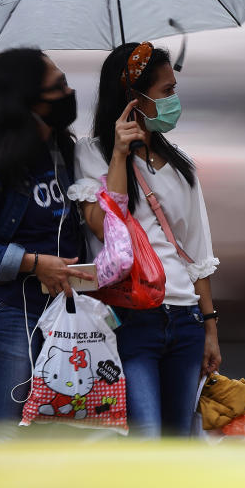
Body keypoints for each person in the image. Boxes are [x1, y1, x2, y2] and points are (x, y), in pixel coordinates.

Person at [67, 41, 220, 438]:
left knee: (179, 441)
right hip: (130, 316)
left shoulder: (181, 166)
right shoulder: (92, 152)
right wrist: (120, 154)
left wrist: (210, 328)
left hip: (184, 317)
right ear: (133, 98)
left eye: (174, 89)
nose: (174, 100)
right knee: (145, 438)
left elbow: (197, 253)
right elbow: (102, 224)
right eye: (166, 91)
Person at [0, 48, 93, 441]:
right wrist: (34, 263)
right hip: (7, 312)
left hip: (64, 313)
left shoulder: (65, 151)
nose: (69, 92)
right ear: (27, 100)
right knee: (3, 433)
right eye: (58, 86)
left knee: (62, 433)